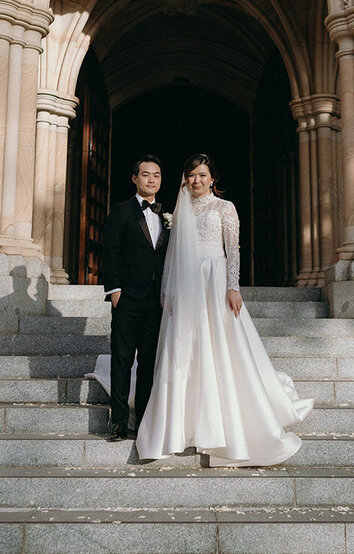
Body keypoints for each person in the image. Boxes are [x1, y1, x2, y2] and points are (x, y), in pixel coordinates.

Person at [134, 153, 313, 467]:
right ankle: (182, 426)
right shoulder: (182, 210)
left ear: (212, 178)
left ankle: (224, 422)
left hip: (216, 282)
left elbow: (234, 251)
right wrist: (169, 291)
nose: (197, 181)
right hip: (188, 285)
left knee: (221, 346)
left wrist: (233, 286)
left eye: (203, 175)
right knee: (187, 349)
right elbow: (173, 257)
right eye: (192, 175)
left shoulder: (225, 208)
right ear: (185, 179)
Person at [98, 155, 168, 442]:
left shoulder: (168, 214)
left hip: (156, 301)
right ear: (135, 178)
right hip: (127, 298)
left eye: (156, 175)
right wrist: (114, 290)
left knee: (149, 362)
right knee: (122, 360)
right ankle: (118, 422)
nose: (151, 180)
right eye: (146, 175)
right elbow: (110, 251)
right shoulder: (121, 211)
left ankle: (142, 423)